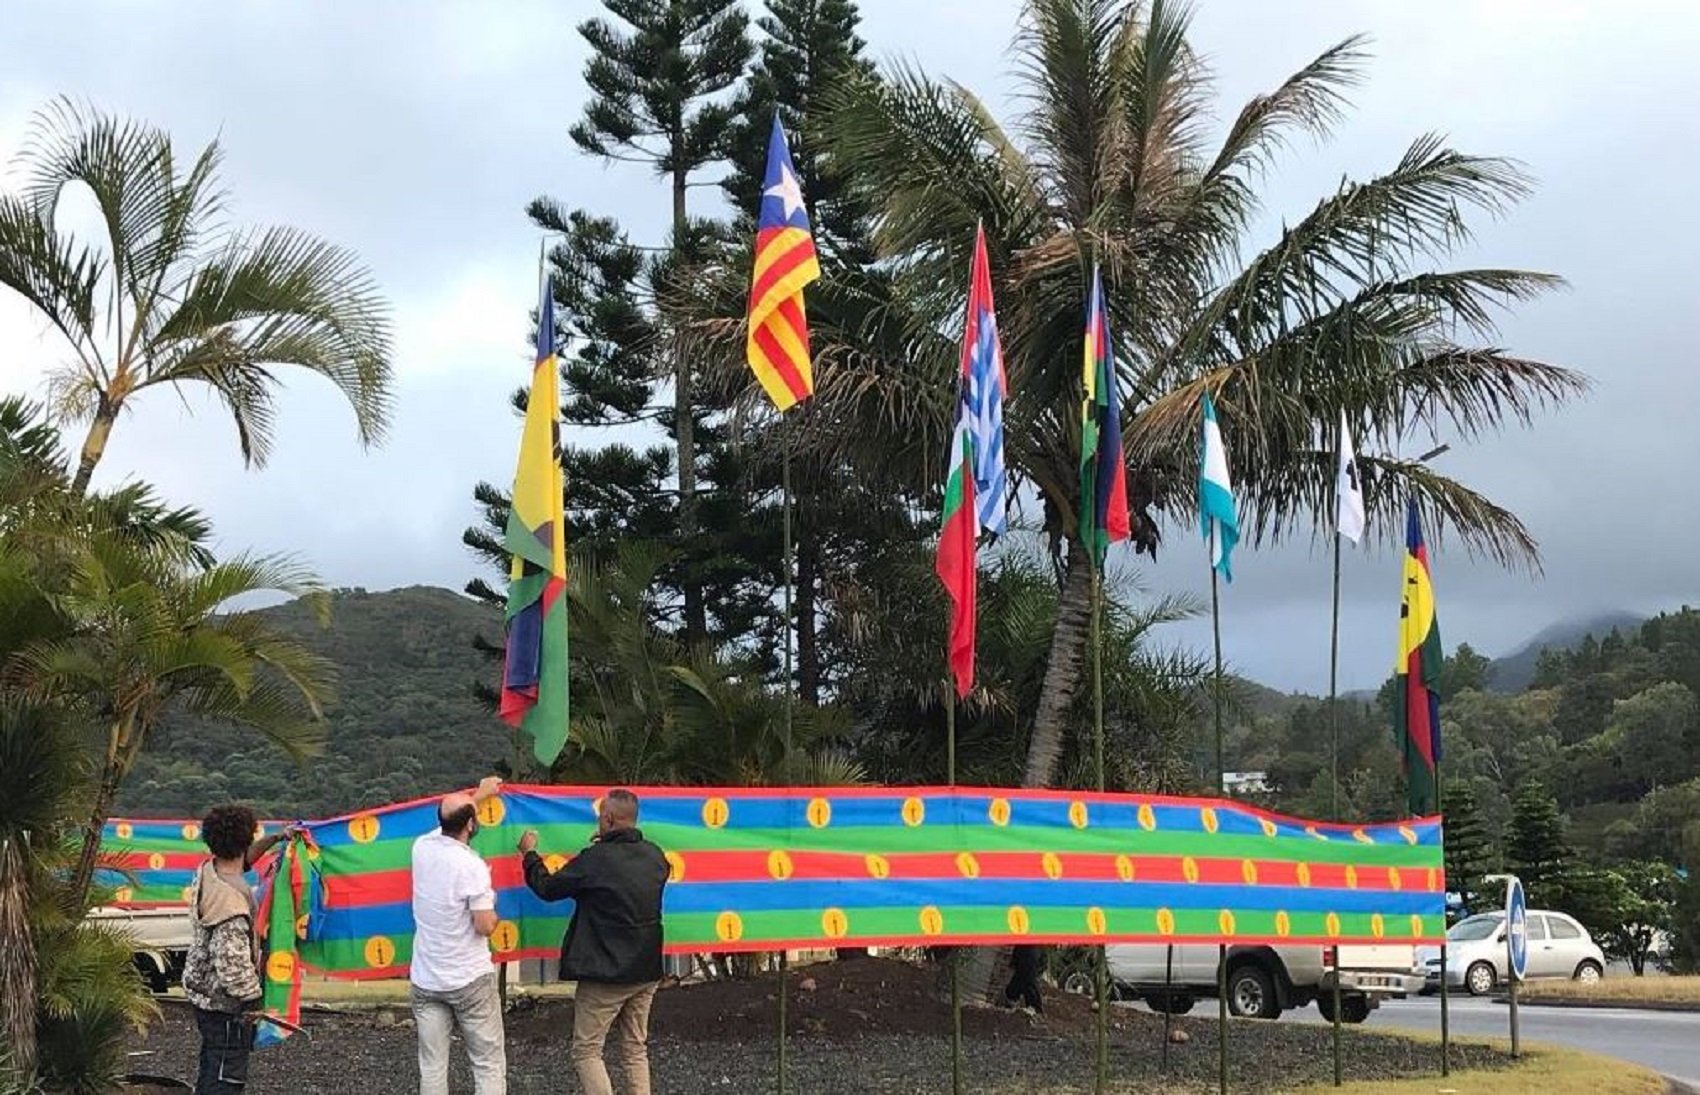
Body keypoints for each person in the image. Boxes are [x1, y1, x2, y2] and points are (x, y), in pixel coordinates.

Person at [519, 789, 668, 1095]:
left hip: (605, 973)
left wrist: (529, 855)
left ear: (608, 819)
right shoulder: (656, 856)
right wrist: (605, 847)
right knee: (635, 1048)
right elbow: (626, 877)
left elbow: (547, 888)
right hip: (646, 969)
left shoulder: (595, 860)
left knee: (587, 1051)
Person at [410, 776, 507, 1095]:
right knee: (487, 1063)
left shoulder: (421, 848)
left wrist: (477, 797)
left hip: (426, 980)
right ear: (470, 823)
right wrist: (494, 913)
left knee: (432, 1066)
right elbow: (484, 925)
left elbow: (449, 828)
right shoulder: (472, 866)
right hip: (469, 980)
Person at [181, 804, 265, 1094]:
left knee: (211, 1065)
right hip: (224, 1006)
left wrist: (279, 838)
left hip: (203, 995)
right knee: (225, 1077)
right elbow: (231, 966)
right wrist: (254, 1000)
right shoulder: (231, 905)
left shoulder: (208, 870)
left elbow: (243, 861)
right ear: (245, 841)